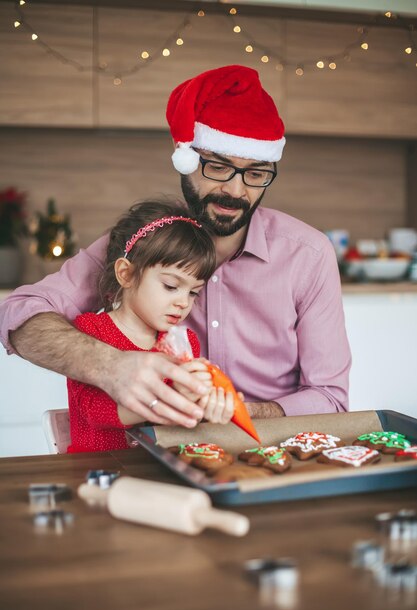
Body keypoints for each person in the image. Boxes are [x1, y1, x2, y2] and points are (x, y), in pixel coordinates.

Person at [0, 65, 351, 426]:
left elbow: (330, 398)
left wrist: (240, 412)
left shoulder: (308, 254)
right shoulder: (142, 240)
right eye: (218, 167)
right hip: (155, 453)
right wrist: (110, 366)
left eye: (256, 173)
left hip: (266, 449)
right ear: (187, 162)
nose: (236, 190)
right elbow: (20, 314)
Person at [66, 200, 235, 452]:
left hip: (159, 470)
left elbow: (183, 427)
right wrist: (175, 399)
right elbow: (95, 412)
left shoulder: (185, 342)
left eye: (193, 293)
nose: (182, 303)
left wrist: (207, 407)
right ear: (126, 274)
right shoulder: (91, 331)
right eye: (170, 286)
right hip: (98, 470)